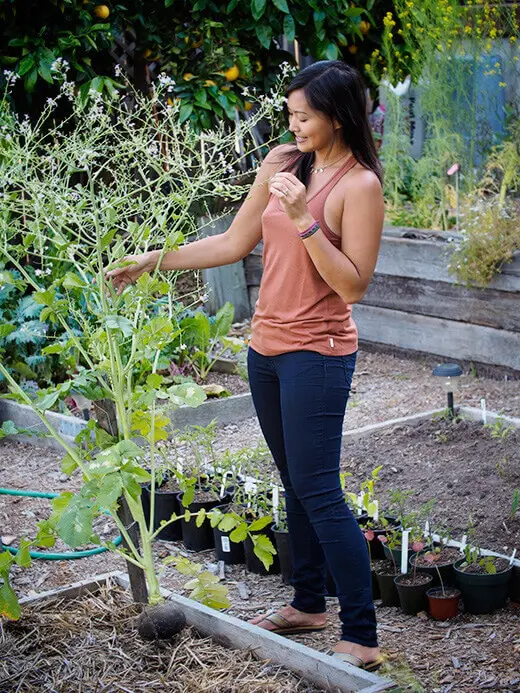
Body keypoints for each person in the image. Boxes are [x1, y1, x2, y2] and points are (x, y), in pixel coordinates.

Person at [106, 60, 385, 671]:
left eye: (304, 116)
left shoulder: (360, 186)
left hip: (319, 353)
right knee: (294, 483)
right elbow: (233, 243)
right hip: (265, 351)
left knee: (319, 489)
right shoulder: (281, 164)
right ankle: (309, 603)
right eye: (290, 114)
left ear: (338, 116)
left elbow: (353, 287)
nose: (294, 125)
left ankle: (361, 634)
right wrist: (153, 259)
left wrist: (308, 218)